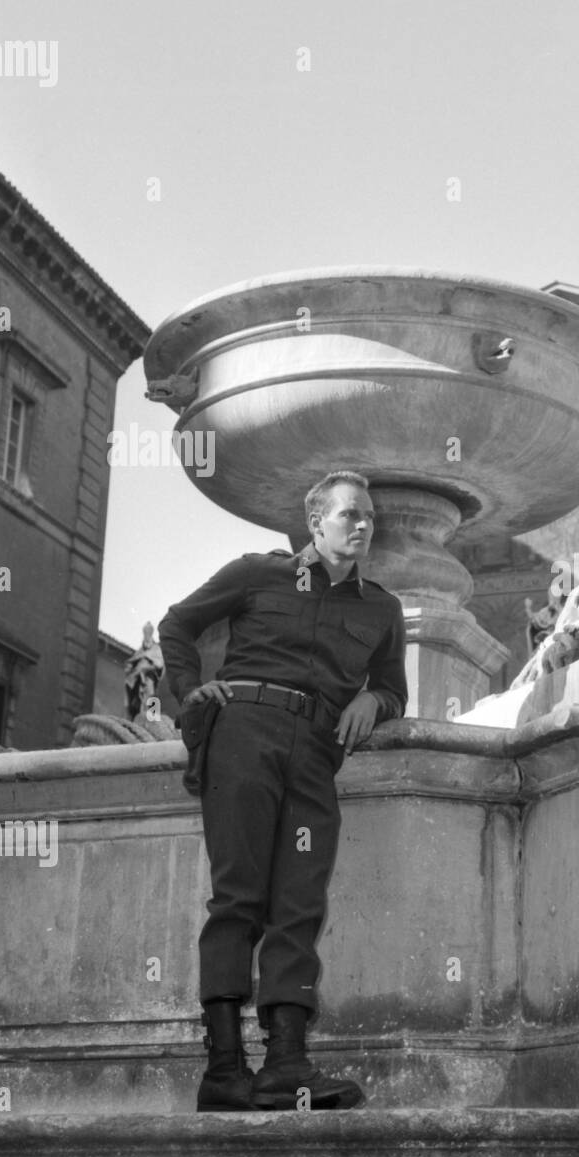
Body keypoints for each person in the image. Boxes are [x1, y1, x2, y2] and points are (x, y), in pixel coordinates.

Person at [158, 470, 407, 1111]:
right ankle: (222, 1070)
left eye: (370, 517)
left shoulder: (382, 609)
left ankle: (286, 1062)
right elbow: (178, 625)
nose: (363, 525)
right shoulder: (255, 574)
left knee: (300, 902)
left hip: (316, 751)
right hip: (244, 731)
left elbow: (395, 687)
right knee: (238, 896)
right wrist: (188, 694)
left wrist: (376, 700)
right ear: (315, 520)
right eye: (351, 514)